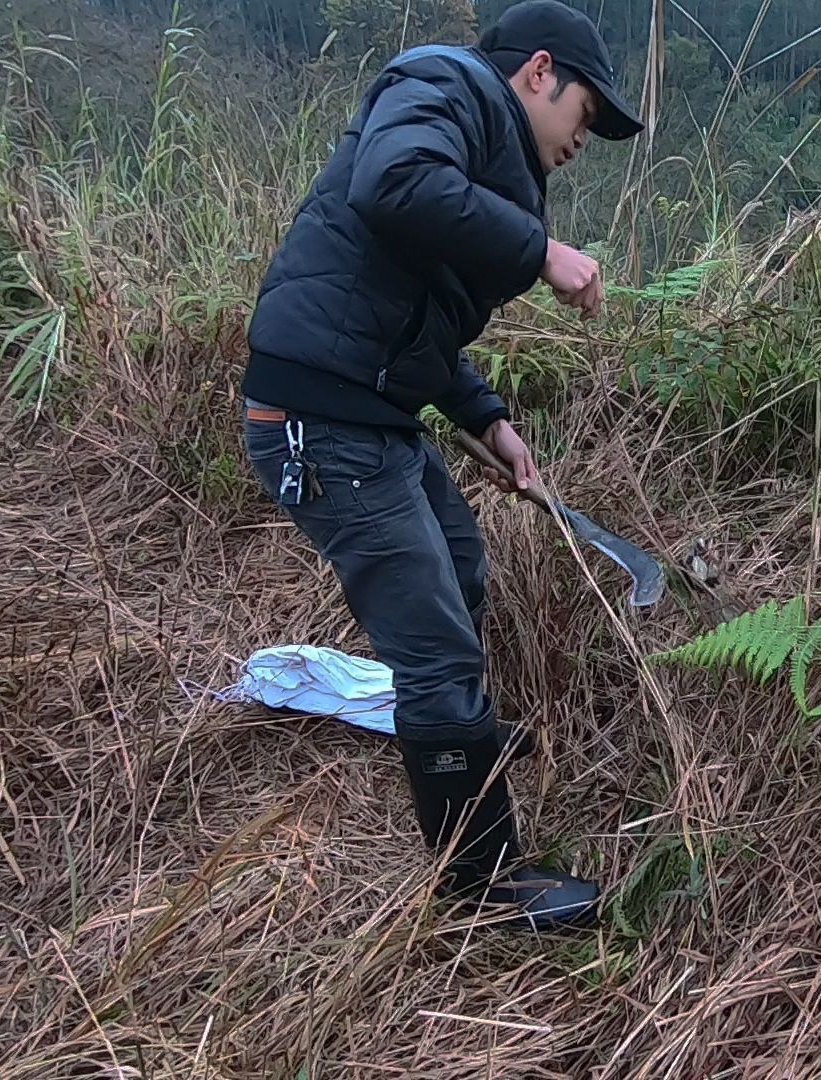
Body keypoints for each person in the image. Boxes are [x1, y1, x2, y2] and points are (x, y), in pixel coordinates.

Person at [237, 0, 642, 930]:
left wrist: (488, 419)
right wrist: (540, 250)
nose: (588, 137)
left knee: (459, 569)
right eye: (587, 111)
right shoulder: (442, 84)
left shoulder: (476, 143)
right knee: (436, 649)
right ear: (540, 72)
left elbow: (413, 321)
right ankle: (480, 888)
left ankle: (453, 743)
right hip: (319, 417)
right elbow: (393, 182)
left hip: (369, 412)